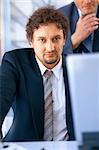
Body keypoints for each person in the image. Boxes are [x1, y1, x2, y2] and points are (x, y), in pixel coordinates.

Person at [0, 6, 75, 142]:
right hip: (24, 147)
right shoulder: (14, 62)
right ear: (31, 41)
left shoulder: (76, 67)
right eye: (42, 40)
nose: (50, 48)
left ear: (64, 39)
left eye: (56, 39)